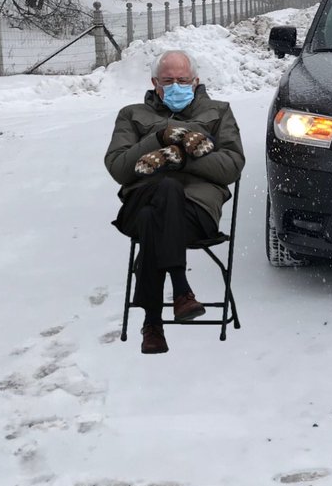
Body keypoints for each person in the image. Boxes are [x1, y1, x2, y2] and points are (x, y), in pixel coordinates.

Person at [104, 49, 245, 354]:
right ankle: (181, 290)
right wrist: (159, 138)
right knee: (162, 193)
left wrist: (179, 160)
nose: (176, 85)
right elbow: (118, 168)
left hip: (195, 213)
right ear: (155, 83)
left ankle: (152, 323)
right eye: (168, 80)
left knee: (156, 211)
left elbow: (231, 166)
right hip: (140, 202)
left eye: (183, 80)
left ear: (195, 81)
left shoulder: (219, 112)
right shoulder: (131, 115)